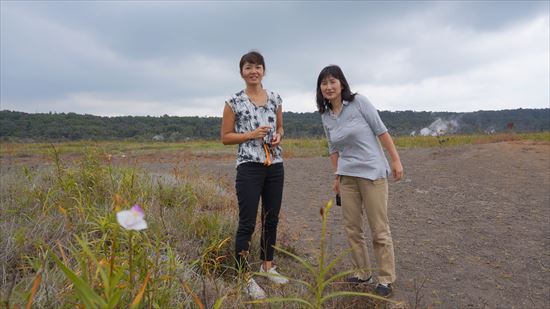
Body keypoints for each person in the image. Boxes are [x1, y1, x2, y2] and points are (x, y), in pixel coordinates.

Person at [316, 65, 404, 297]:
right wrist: (337, 177)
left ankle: (385, 277)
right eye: (324, 83)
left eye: (332, 81)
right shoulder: (326, 116)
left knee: (379, 228)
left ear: (342, 83)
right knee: (352, 228)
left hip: (372, 172)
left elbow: (381, 130)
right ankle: (362, 271)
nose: (328, 86)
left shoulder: (359, 102)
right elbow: (333, 148)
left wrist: (395, 161)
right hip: (347, 176)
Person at [221, 50, 288, 299]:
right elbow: (225, 137)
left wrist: (279, 133)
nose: (253, 71)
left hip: (275, 164)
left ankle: (267, 266)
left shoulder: (275, 98)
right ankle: (243, 277)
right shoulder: (234, 101)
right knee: (247, 222)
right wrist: (251, 134)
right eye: (248, 67)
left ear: (264, 71)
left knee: (271, 219)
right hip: (248, 166)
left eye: (258, 67)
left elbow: (280, 126)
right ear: (242, 72)